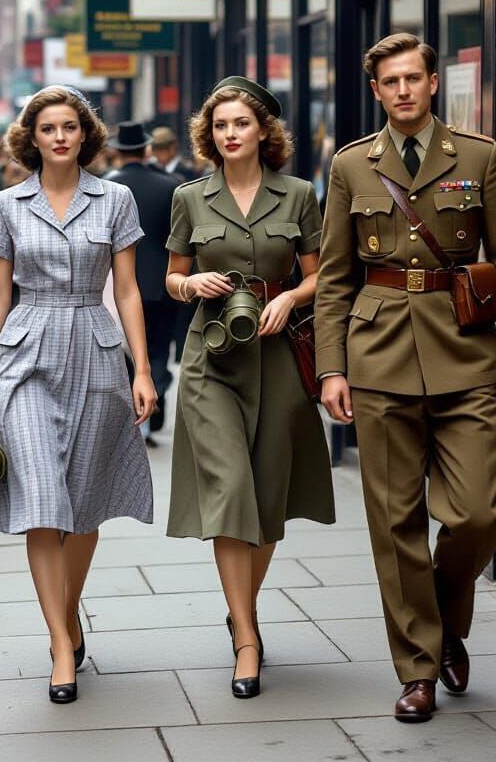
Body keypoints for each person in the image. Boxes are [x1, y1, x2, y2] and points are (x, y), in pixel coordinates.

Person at [315, 32, 496, 723]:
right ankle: (418, 669)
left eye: (414, 78)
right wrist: (331, 369)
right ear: (376, 91)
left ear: (434, 83)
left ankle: (440, 613)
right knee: (395, 523)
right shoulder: (353, 166)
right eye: (391, 82)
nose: (403, 90)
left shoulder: (479, 156)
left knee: (480, 511)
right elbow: (333, 280)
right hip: (378, 356)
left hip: (466, 352)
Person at [0, 85, 156, 705]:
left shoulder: (116, 198)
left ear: (84, 134)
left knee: (84, 502)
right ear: (32, 138)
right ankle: (62, 645)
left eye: (70, 126)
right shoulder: (7, 204)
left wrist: (143, 369)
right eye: (48, 128)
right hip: (25, 354)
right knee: (43, 499)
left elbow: (127, 291)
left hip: (96, 351)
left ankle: (68, 615)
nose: (60, 137)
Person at [164, 76, 335, 701]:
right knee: (231, 491)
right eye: (219, 125)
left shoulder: (298, 196)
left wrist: (290, 295)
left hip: (278, 356)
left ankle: (243, 611)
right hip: (212, 359)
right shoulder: (190, 196)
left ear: (264, 130)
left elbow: (322, 277)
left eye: (240, 123)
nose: (229, 133)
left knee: (265, 502)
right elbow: (171, 276)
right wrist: (192, 287)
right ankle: (246, 636)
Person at [103, 121, 182, 445]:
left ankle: (137, 406)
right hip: (160, 282)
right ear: (146, 150)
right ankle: (156, 390)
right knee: (159, 349)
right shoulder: (170, 186)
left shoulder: (106, 187)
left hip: (119, 285)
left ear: (117, 153)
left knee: (125, 352)